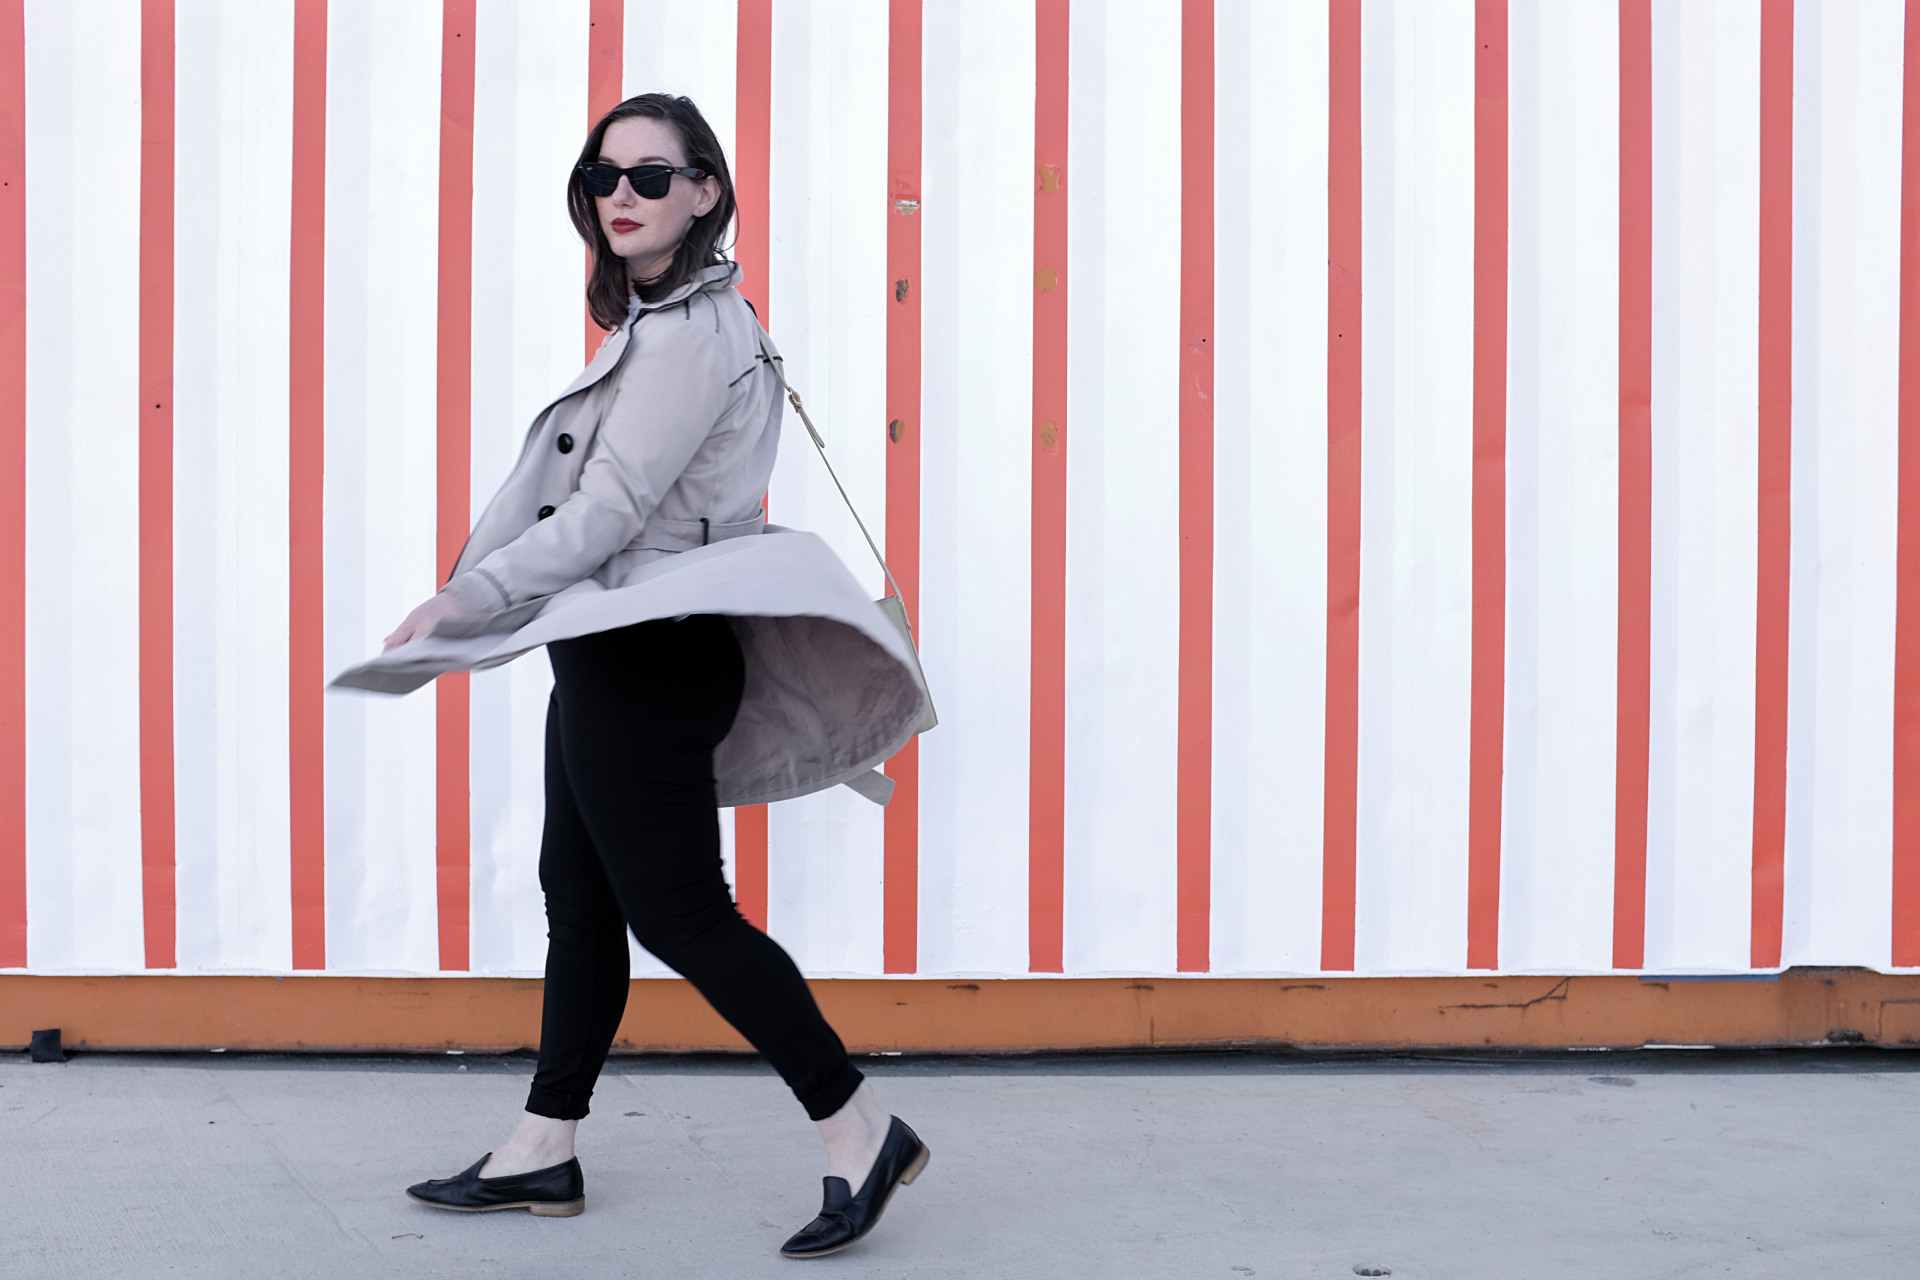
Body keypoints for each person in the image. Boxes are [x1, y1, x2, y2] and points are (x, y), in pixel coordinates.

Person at [359, 93, 929, 1260]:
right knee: (581, 890)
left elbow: (607, 513)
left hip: (649, 655)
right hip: (623, 648)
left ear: (706, 193)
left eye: (653, 177)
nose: (624, 194)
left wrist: (465, 597)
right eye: (606, 175)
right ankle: (543, 1146)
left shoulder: (683, 336)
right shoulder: (687, 319)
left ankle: (857, 1122)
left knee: (679, 911)